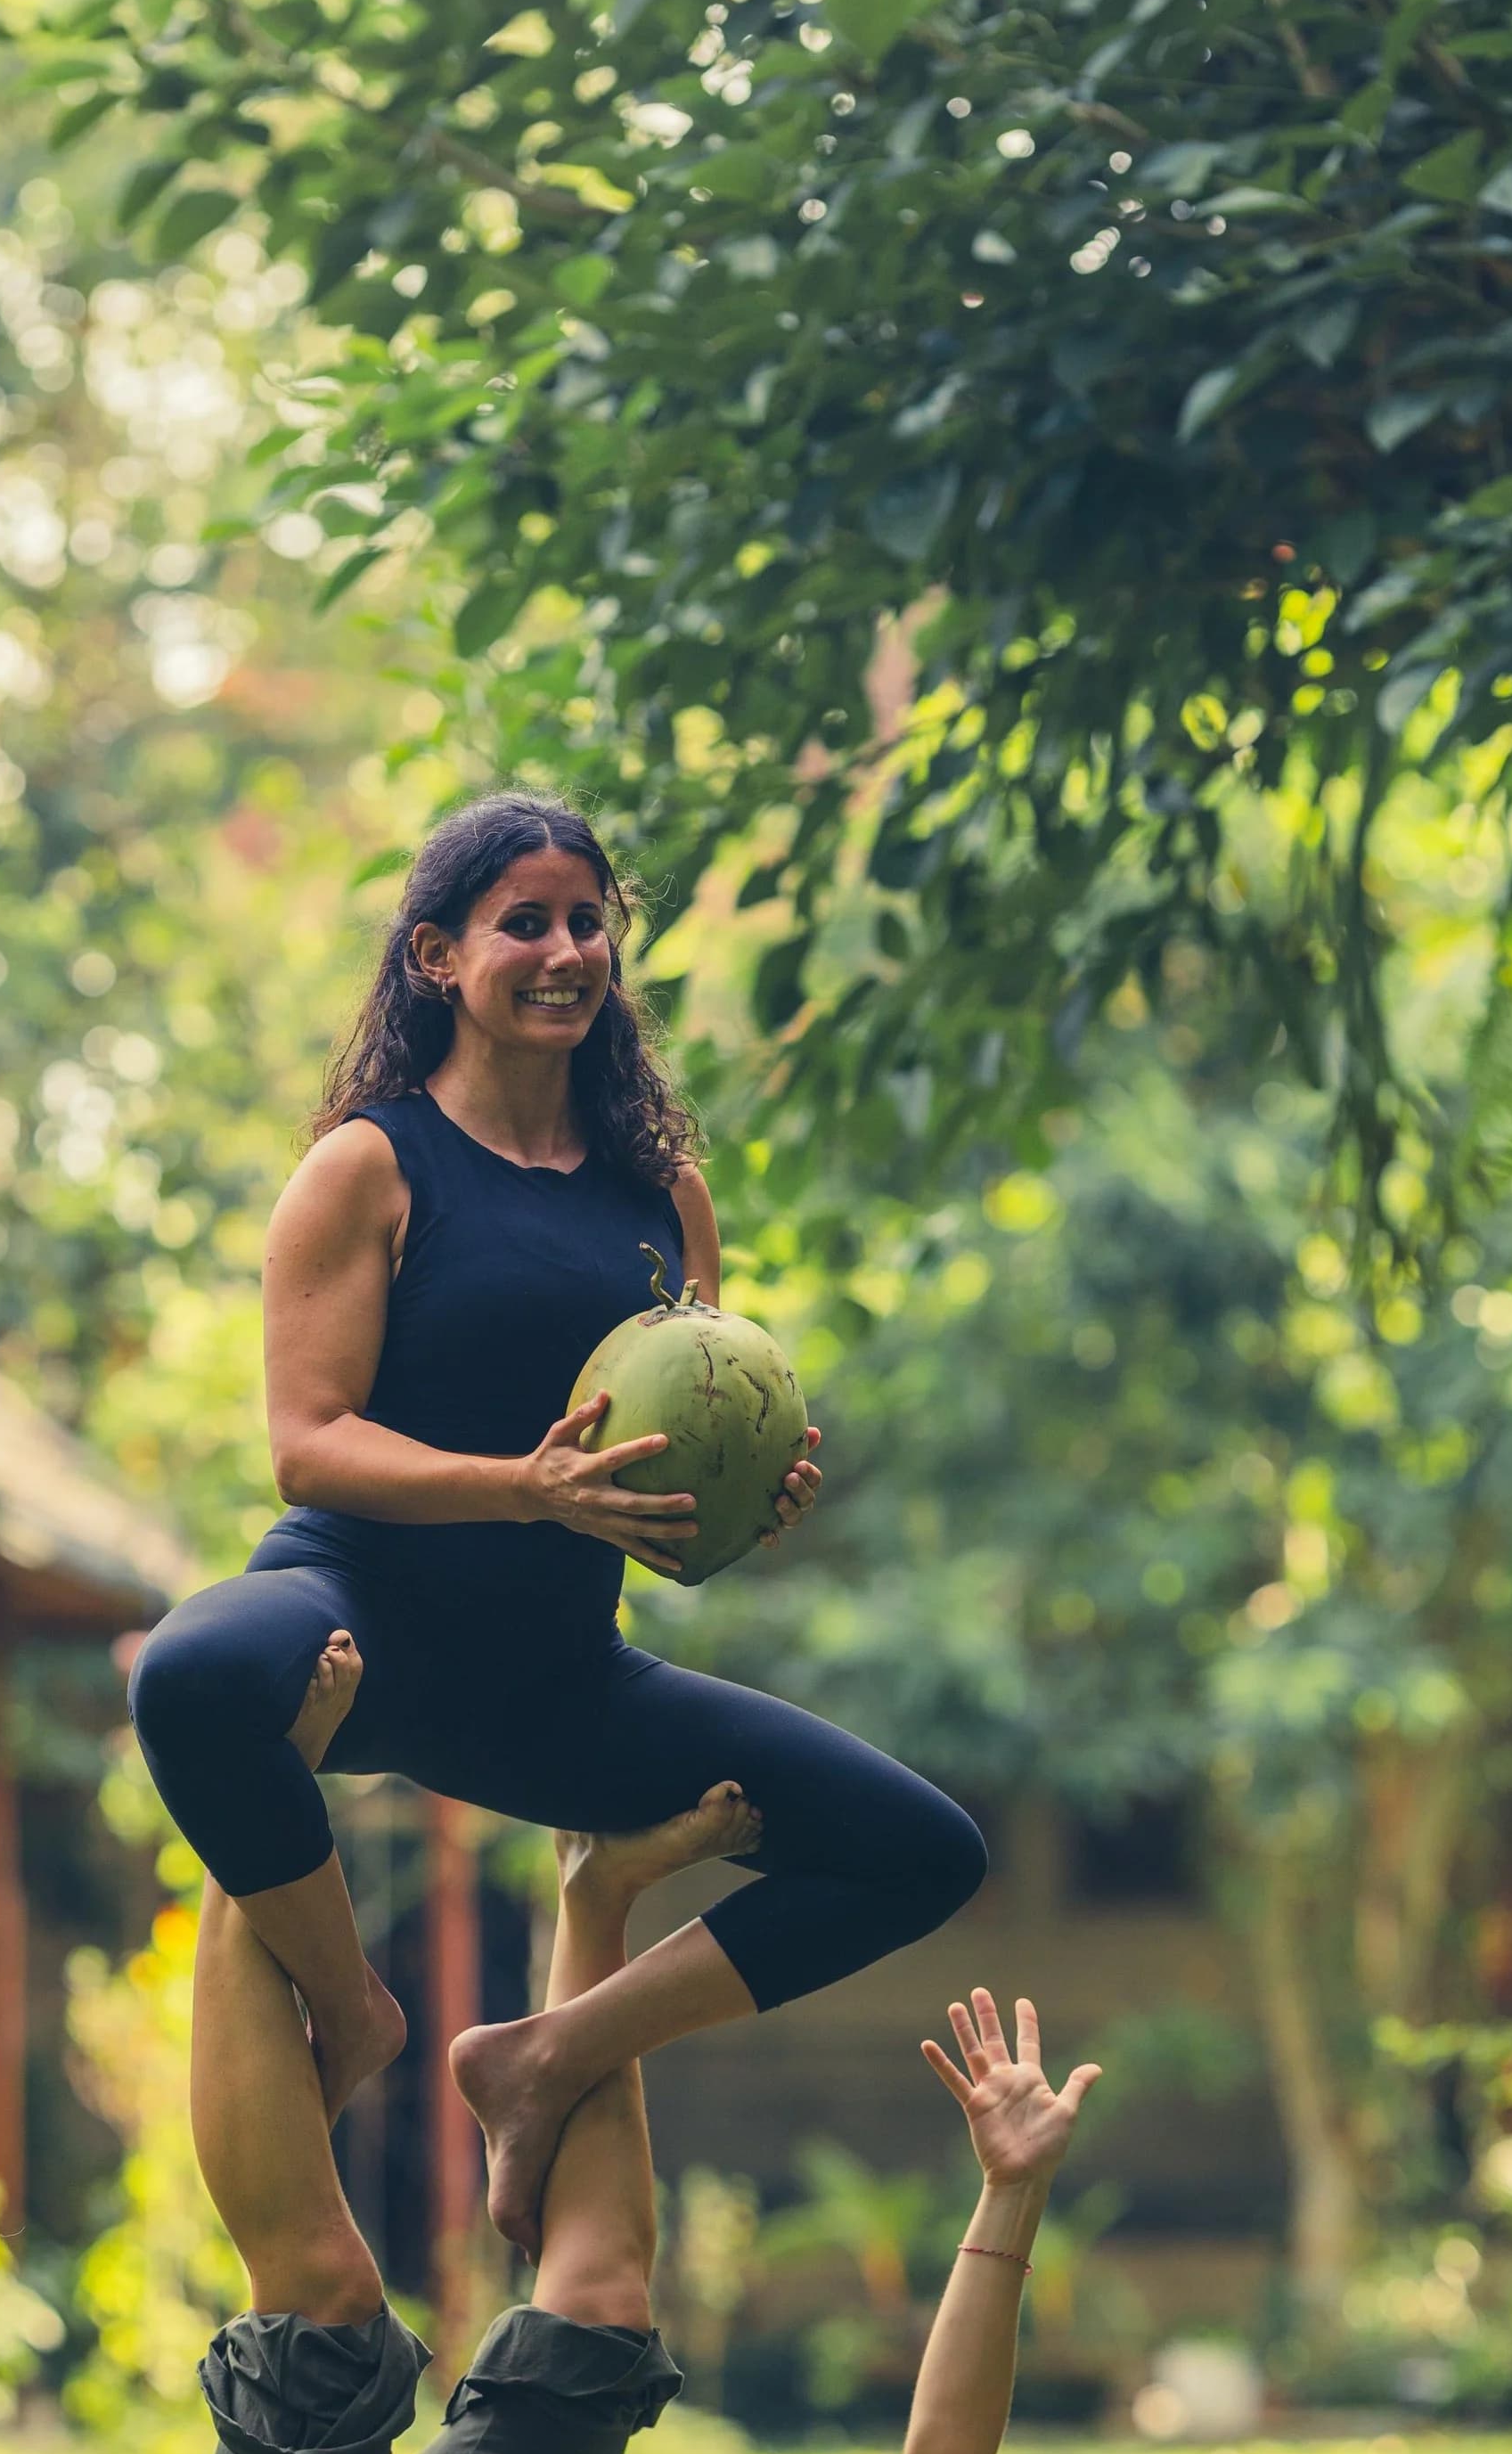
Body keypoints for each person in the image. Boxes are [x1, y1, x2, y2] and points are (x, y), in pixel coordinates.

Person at [168, 1664, 1357, 2454]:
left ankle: (246, 1802)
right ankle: (598, 1898)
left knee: (324, 2305)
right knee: (601, 2311)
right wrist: (1012, 2189)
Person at [128, 789, 985, 2250]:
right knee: (189, 1677)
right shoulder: (370, 1166)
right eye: (523, 920)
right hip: (362, 1610)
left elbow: (681, 1445)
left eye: (590, 920)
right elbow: (306, 1445)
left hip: (554, 1678)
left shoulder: (665, 1196)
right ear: (435, 959)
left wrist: (742, 1494)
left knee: (923, 1851)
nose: (567, 948)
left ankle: (548, 2051)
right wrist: (518, 1487)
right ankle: (355, 2004)